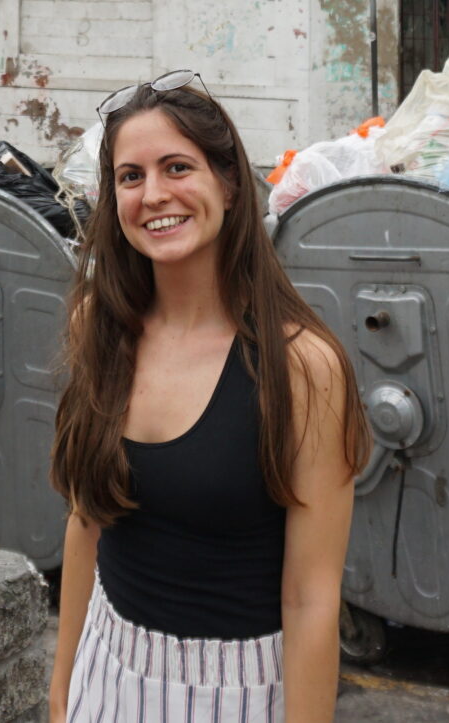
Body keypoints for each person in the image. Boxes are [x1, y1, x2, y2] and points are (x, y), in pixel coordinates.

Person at [48, 71, 368, 723]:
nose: (154, 194)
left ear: (226, 181)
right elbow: (86, 521)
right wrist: (62, 688)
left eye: (176, 166)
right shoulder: (99, 326)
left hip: (238, 695)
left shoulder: (303, 367)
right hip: (106, 674)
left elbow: (311, 598)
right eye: (130, 176)